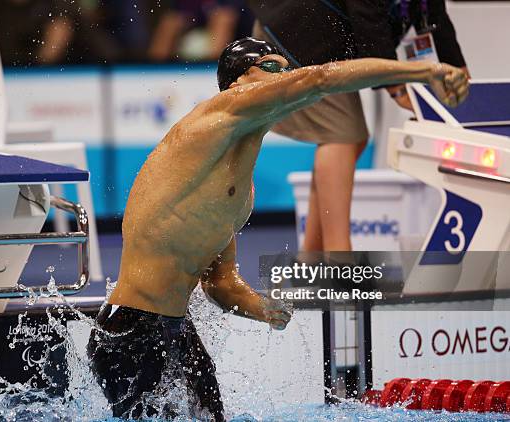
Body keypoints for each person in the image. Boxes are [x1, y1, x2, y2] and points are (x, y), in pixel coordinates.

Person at [87, 37, 468, 421]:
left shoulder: (240, 191)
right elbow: (320, 78)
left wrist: (268, 310)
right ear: (238, 82)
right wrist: (427, 71)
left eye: (287, 68)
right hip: (127, 330)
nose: (286, 76)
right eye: (272, 68)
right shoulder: (218, 112)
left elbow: (219, 283)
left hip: (176, 330)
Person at [249, 0, 468, 252]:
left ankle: (311, 259)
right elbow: (370, 22)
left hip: (322, 38)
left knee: (349, 138)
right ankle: (339, 258)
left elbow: (434, 16)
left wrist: (458, 69)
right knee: (344, 137)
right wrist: (397, 90)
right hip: (299, 36)